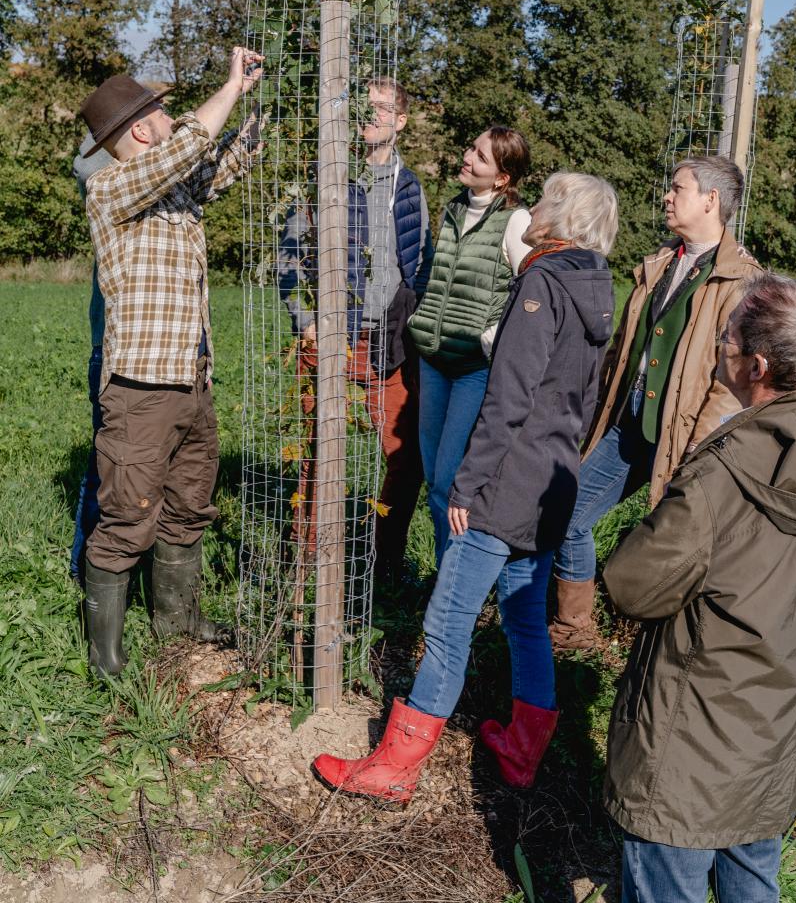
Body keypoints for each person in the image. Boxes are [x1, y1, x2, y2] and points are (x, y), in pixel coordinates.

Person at [313, 173, 618, 802]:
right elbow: (586, 401)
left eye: (545, 198)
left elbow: (508, 396)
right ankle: (523, 749)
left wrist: (467, 485)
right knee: (524, 615)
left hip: (506, 481)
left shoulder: (542, 282)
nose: (534, 207)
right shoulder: (596, 285)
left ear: (563, 215)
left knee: (448, 618)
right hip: (552, 478)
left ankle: (396, 768)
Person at [603, 273, 796, 903]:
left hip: (690, 741)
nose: (718, 347)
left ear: (757, 366)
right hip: (774, 736)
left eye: (726, 339)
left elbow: (634, 585)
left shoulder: (724, 471)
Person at [80, 47, 264, 677]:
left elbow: (224, 159)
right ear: (140, 129)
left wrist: (262, 97)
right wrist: (228, 87)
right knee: (127, 518)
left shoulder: (174, 187)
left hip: (192, 380)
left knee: (188, 505)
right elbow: (188, 146)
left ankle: (177, 621)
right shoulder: (111, 188)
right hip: (142, 390)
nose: (172, 117)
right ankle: (105, 659)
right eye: (161, 111)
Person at [549, 155, 761, 651]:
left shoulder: (740, 281)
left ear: (710, 200)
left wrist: (698, 450)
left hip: (686, 441)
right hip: (629, 427)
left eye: (678, 188)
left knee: (675, 553)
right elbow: (625, 347)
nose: (667, 196)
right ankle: (574, 631)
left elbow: (730, 384)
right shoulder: (662, 261)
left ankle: (660, 648)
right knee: (568, 513)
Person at [278, 77, 431, 578]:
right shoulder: (326, 178)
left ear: (401, 121)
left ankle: (385, 559)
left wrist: (414, 320)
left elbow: (423, 262)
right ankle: (307, 553)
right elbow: (287, 257)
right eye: (364, 108)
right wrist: (306, 320)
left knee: (404, 455)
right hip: (330, 337)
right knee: (319, 450)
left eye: (382, 109)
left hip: (389, 339)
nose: (370, 117)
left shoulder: (410, 188)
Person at [407, 127, 532, 566]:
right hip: (434, 359)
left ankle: (454, 578)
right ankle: (448, 570)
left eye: (480, 156)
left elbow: (530, 290)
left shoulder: (515, 221)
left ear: (501, 177)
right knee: (433, 475)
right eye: (470, 148)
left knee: (450, 479)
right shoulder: (454, 209)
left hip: (474, 369)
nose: (467, 157)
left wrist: (492, 336)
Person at [70, 135, 113, 581]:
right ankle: (85, 571)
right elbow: (86, 165)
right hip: (113, 345)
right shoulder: (107, 173)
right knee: (106, 463)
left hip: (172, 348)